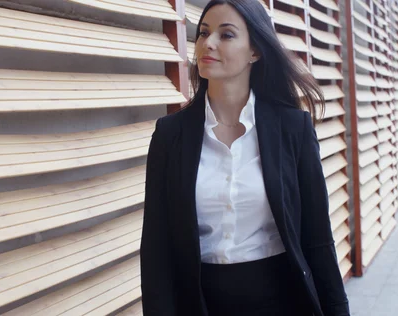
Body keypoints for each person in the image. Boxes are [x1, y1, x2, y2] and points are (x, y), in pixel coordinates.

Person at [140, 0, 350, 315]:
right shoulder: (171, 135)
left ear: (255, 51)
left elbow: (317, 239)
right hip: (200, 304)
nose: (207, 43)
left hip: (281, 302)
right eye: (203, 33)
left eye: (226, 35)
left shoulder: (293, 129)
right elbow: (156, 250)